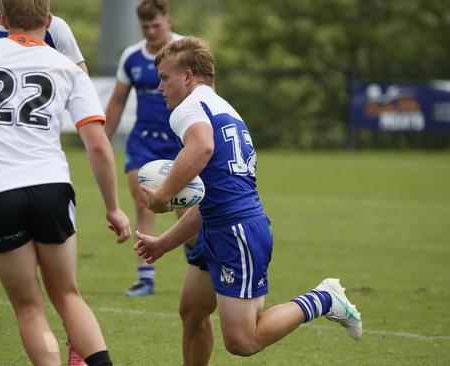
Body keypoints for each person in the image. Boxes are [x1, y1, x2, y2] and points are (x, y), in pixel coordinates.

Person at [0, 0, 130, 365]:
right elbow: (97, 142)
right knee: (67, 295)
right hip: (51, 188)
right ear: (48, 21)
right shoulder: (66, 66)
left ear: (1, 18)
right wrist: (112, 207)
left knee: (30, 308)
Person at [134, 37, 363, 365]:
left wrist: (162, 196)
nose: (159, 87)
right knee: (193, 311)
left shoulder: (188, 109)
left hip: (236, 232)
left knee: (243, 341)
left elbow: (200, 148)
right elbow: (209, 200)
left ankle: (324, 299)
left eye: (165, 77)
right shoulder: (222, 108)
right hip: (221, 225)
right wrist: (163, 244)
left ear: (188, 76)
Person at [0, 2, 90, 365]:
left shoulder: (56, 27)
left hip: (36, 159)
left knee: (53, 269)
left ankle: (78, 346)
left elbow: (79, 78)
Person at [104, 0, 191, 297]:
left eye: (157, 24)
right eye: (146, 27)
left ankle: (198, 261)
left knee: (185, 208)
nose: (152, 31)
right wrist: (103, 139)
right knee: (144, 203)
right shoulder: (131, 57)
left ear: (168, 20)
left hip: (179, 141)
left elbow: (206, 92)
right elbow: (117, 101)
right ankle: (145, 276)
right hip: (143, 143)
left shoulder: (186, 50)